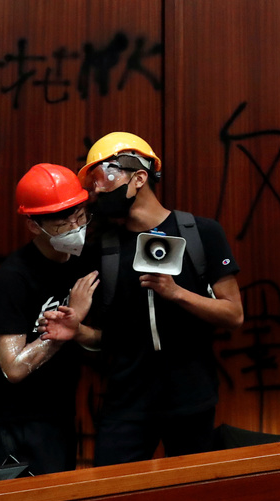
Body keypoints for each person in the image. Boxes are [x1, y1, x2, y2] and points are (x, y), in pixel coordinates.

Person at [42, 132, 243, 466]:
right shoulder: (102, 247)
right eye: (92, 181)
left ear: (138, 178)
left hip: (191, 400)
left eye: (104, 177)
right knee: (112, 490)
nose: (96, 190)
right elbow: (109, 339)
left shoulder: (201, 233)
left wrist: (176, 293)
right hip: (126, 405)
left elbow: (234, 315)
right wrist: (78, 332)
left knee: (191, 491)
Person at [0, 163, 99, 475]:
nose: (75, 228)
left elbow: (102, 339)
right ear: (34, 225)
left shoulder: (86, 262)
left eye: (80, 217)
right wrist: (65, 327)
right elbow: (14, 368)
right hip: (17, 416)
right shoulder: (14, 278)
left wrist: (77, 329)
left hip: (60, 408)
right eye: (62, 224)